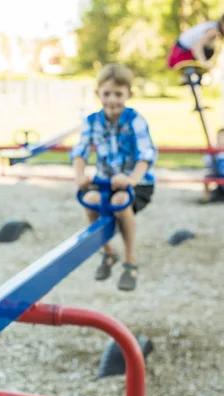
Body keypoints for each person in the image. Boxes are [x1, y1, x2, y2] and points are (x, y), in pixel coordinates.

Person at [70, 63, 158, 292]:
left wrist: (131, 179)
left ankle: (131, 260)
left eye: (118, 94)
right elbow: (80, 151)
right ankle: (108, 252)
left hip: (138, 182)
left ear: (129, 94)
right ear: (97, 93)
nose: (112, 100)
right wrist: (80, 175)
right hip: (106, 181)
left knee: (120, 202)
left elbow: (145, 154)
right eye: (106, 93)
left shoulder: (135, 120)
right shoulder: (92, 121)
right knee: (90, 201)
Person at [202, 127, 224, 203]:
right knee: (207, 178)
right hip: (216, 173)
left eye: (223, 138)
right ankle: (205, 198)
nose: (221, 140)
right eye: (219, 138)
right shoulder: (214, 150)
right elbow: (207, 160)